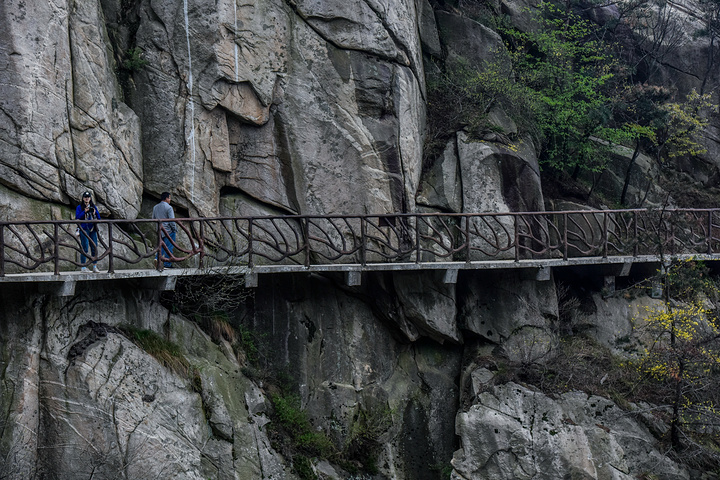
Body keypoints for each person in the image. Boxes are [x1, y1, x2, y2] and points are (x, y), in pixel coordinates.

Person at [75, 191, 101, 272]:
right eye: (85, 197)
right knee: (85, 247)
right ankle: (83, 266)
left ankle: (94, 266)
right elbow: (77, 217)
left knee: (94, 246)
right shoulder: (79, 207)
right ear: (83, 198)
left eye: (88, 197)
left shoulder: (93, 207)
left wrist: (94, 212)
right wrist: (84, 212)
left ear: (90, 198)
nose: (87, 198)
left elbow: (99, 218)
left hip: (92, 229)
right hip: (84, 228)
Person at [152, 192, 177, 268]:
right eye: (169, 198)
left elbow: (153, 218)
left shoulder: (155, 207)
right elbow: (172, 220)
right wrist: (174, 229)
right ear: (166, 198)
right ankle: (167, 264)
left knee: (161, 246)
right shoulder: (169, 207)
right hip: (168, 230)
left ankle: (157, 258)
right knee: (169, 247)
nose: (170, 199)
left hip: (160, 230)